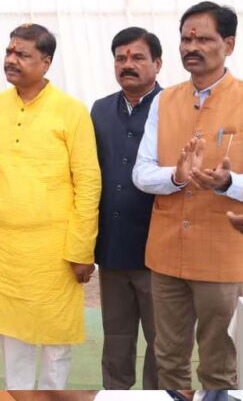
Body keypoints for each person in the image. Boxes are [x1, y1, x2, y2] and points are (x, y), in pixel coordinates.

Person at [132, 1, 243, 389]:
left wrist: (228, 183)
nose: (191, 47)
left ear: (229, 45)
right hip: (166, 254)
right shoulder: (164, 100)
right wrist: (177, 176)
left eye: (203, 39)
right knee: (168, 360)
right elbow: (142, 173)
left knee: (219, 366)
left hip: (222, 256)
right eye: (186, 39)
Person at [0, 23, 101, 389]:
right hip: (4, 246)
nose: (11, 59)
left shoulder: (70, 111)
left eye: (23, 54)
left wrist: (82, 248)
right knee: (12, 335)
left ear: (46, 62)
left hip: (53, 249)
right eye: (9, 52)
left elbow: (88, 181)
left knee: (55, 337)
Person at [91, 27, 162, 389]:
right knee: (116, 339)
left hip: (159, 251)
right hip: (112, 247)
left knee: (162, 343)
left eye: (137, 57)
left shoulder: (173, 107)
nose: (127, 65)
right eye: (120, 58)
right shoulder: (101, 109)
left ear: (157, 63)